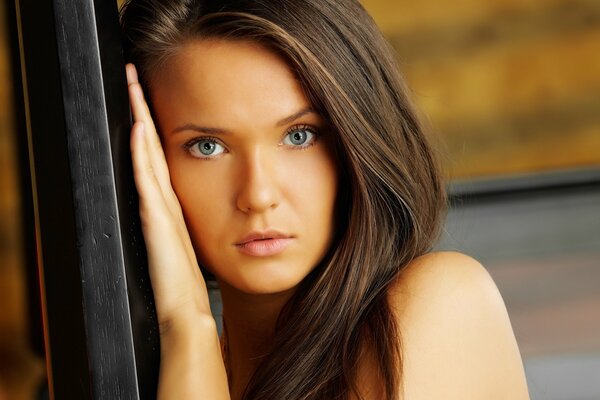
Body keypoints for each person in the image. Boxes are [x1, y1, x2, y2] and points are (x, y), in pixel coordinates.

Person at [120, 0, 530, 399]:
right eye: (206, 146)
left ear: (359, 141)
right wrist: (188, 329)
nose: (258, 195)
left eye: (299, 136)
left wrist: (187, 322)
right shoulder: (162, 369)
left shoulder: (440, 303)